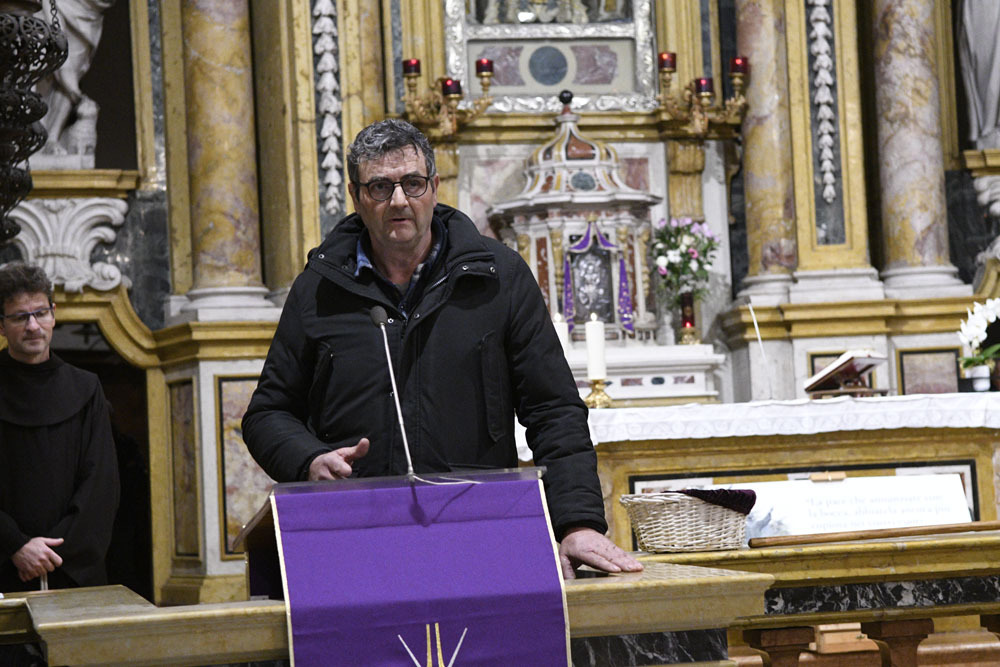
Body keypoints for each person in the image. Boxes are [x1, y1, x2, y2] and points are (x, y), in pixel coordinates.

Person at [243, 119, 641, 579]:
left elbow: (553, 409)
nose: (398, 201)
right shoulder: (319, 288)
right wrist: (308, 458)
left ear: (433, 186)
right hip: (354, 532)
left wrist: (576, 522)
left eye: (412, 183)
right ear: (356, 196)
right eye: (379, 187)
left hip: (475, 526)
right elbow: (268, 414)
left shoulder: (499, 278)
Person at [0, 262, 119, 593]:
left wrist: (51, 555)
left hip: (72, 571)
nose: (33, 326)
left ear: (54, 313)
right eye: (20, 316)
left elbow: (100, 484)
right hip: (5, 568)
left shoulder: (85, 388)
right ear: (1, 326)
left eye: (41, 312)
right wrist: (16, 546)